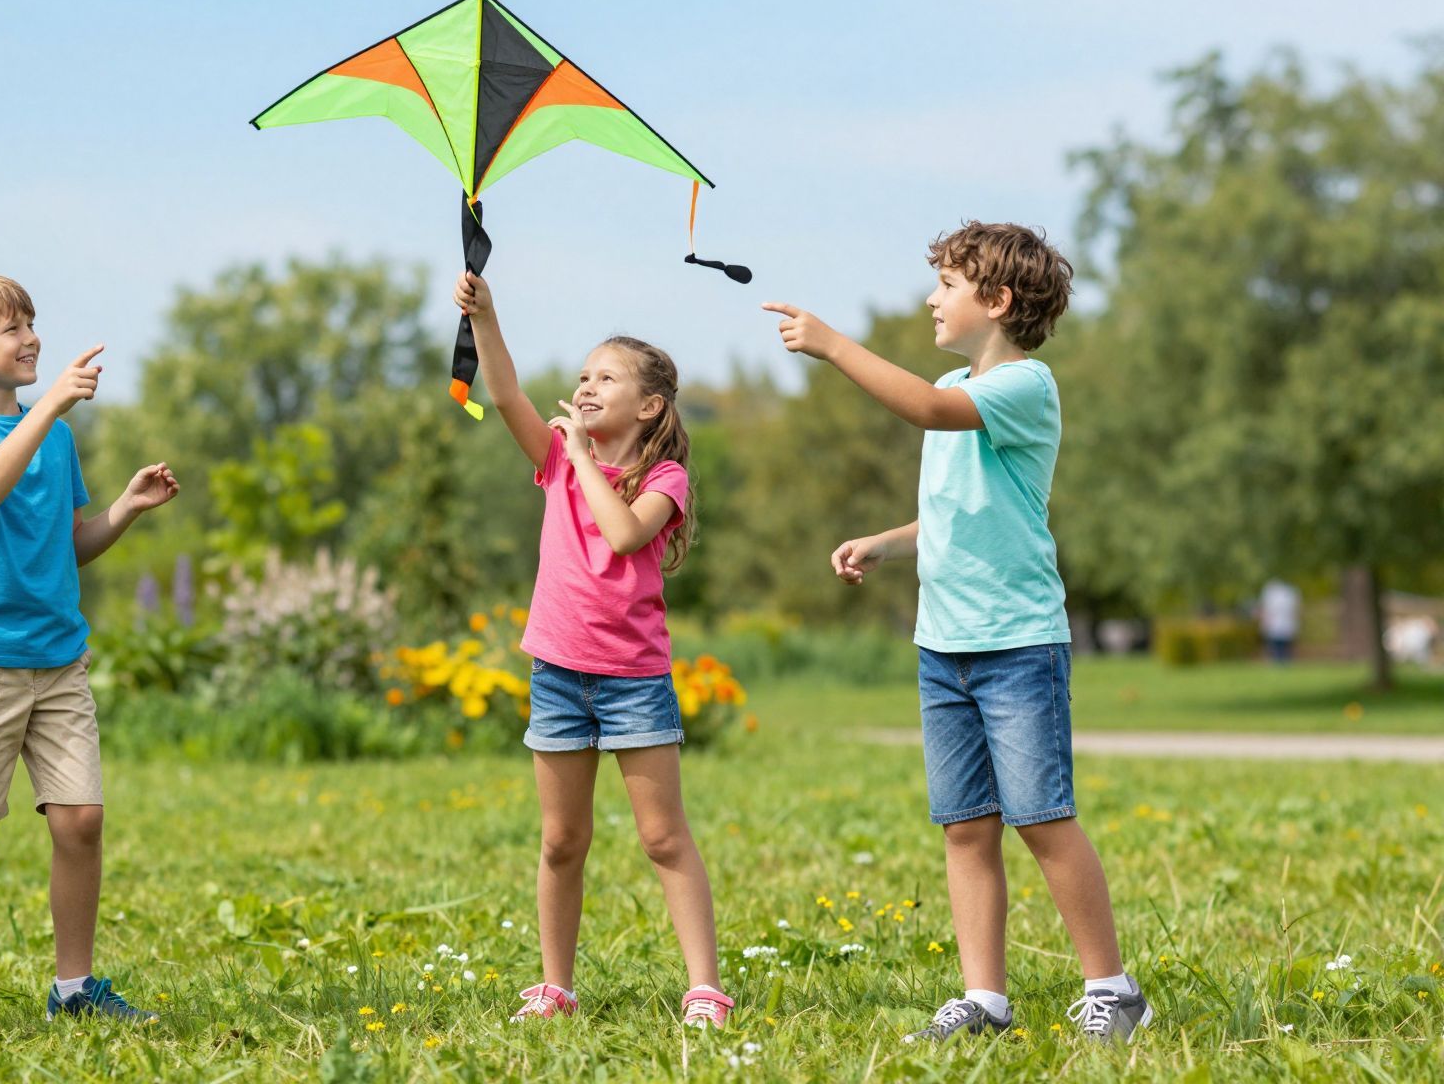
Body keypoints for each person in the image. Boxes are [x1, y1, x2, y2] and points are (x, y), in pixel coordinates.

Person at [770, 222, 1152, 1044]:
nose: (931, 299)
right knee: (966, 825)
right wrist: (886, 539)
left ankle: (1113, 989)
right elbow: (957, 497)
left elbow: (928, 410)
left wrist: (835, 345)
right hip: (944, 644)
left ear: (998, 301)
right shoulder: (961, 385)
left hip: (1016, 642)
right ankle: (985, 1000)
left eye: (946, 285)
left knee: (1042, 817)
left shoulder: (1024, 386)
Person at [451, 271, 733, 1030]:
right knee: (561, 839)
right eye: (581, 375)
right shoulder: (556, 456)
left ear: (648, 406)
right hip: (558, 675)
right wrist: (487, 314)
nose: (585, 386)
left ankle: (705, 987)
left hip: (634, 680)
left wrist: (576, 458)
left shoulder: (661, 477)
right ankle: (556, 986)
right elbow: (505, 392)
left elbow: (623, 532)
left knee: (662, 836)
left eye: (604, 377)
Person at [0, 274, 179, 1033]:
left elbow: (71, 545)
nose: (31, 336)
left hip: (58, 659)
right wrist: (55, 405)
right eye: (12, 328)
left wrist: (124, 509)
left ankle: (74, 985)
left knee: (82, 820)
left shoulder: (56, 438)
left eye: (31, 322)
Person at [1257, 579, 1302, 663]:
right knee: (1278, 647)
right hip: (1278, 626)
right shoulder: (1287, 594)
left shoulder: (1285, 594)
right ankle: (1279, 662)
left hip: (1283, 626)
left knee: (1282, 647)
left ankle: (1282, 662)